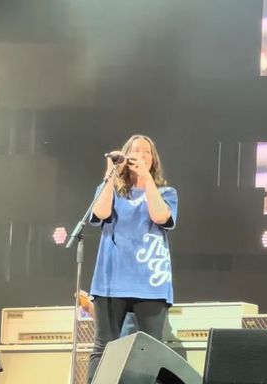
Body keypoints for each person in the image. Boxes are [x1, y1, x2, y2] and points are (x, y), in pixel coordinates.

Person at [86, 134, 178, 383]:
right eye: (134, 150)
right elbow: (101, 212)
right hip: (111, 281)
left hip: (150, 282)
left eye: (146, 151)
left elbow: (161, 218)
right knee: (103, 348)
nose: (140, 154)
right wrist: (110, 174)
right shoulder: (110, 190)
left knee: (153, 351)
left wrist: (146, 178)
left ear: (153, 159)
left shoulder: (166, 192)